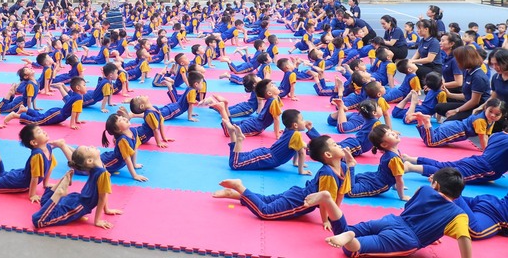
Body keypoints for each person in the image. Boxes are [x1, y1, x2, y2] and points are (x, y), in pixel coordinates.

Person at [308, 167, 471, 258]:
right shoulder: (459, 215)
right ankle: (350, 239)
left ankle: (328, 200)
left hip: (391, 220)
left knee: (345, 231)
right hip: (405, 238)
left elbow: (411, 209)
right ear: (457, 195)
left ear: (436, 185)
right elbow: (464, 238)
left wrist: (433, 233)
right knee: (351, 250)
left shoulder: (424, 190)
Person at [211, 135, 354, 226]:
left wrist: (335, 213)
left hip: (298, 193)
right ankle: (239, 187)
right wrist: (326, 220)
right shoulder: (328, 173)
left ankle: (235, 194)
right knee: (266, 212)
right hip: (300, 201)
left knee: (266, 199)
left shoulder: (344, 167)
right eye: (335, 145)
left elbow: (341, 193)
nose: (339, 145)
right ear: (328, 154)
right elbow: (324, 200)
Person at [32, 145, 122, 229]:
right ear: (89, 161)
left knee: (43, 205)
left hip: (76, 200)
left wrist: (106, 210)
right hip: (77, 205)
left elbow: (103, 194)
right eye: (88, 149)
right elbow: (102, 197)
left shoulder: (99, 168)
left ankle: (62, 184)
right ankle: (59, 191)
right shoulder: (101, 171)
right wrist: (97, 220)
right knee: (39, 221)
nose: (91, 146)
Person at [0, 125, 73, 200]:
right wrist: (32, 195)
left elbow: (50, 167)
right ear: (34, 142)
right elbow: (34, 177)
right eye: (39, 132)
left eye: (41, 130)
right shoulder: (37, 155)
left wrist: (46, 183)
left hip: (20, 173)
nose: (43, 131)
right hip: (19, 182)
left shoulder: (48, 148)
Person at [227, 109, 319, 174]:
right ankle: (238, 139)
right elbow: (301, 152)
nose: (304, 122)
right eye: (302, 120)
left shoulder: (289, 130)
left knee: (238, 159)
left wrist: (295, 163)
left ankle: (232, 134)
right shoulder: (296, 134)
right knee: (235, 164)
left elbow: (297, 147)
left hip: (266, 154)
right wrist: (301, 171)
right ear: (295, 125)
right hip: (268, 158)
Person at [402, 130, 508, 183]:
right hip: (486, 168)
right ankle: (411, 167)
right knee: (451, 176)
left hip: (476, 159)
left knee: (442, 165)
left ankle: (411, 159)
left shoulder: (499, 135)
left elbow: (490, 142)